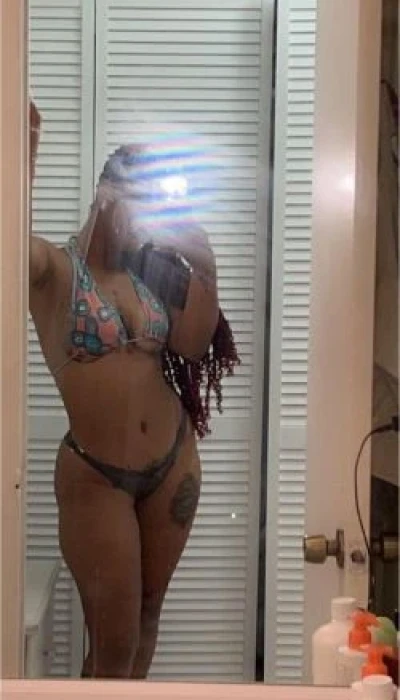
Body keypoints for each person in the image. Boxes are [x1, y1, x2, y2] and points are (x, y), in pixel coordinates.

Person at [29, 99, 239, 679]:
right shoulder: (55, 270)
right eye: (135, 202)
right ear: (105, 194)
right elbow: (10, 246)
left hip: (172, 460)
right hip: (97, 474)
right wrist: (23, 162)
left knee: (147, 621)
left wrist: (204, 261)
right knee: (113, 643)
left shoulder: (151, 273)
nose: (142, 220)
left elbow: (193, 343)